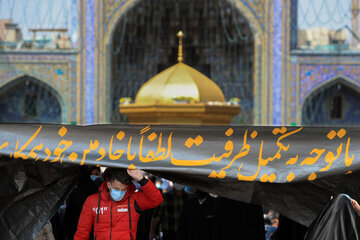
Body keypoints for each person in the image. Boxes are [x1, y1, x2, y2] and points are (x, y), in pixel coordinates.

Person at [74, 168, 163, 240]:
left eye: (123, 189)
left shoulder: (134, 199)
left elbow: (157, 199)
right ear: (109, 184)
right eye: (117, 188)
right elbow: (82, 232)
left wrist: (141, 179)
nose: (120, 192)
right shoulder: (92, 201)